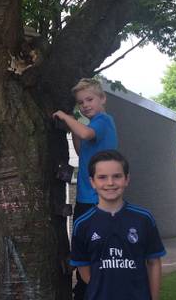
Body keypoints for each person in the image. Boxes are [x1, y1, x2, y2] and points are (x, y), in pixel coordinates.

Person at [52, 78, 118, 300]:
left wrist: (66, 117)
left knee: (92, 249)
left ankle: (90, 290)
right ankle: (83, 289)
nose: (85, 105)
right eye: (80, 102)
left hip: (96, 200)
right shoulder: (91, 126)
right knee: (83, 248)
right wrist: (72, 128)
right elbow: (82, 150)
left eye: (89, 99)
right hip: (85, 198)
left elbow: (88, 135)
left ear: (103, 99)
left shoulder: (103, 121)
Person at [70, 150, 166, 300]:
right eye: (102, 177)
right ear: (92, 182)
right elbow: (83, 267)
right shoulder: (82, 224)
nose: (110, 183)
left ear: (126, 179)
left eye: (117, 176)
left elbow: (154, 263)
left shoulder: (144, 219)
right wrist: (103, 288)